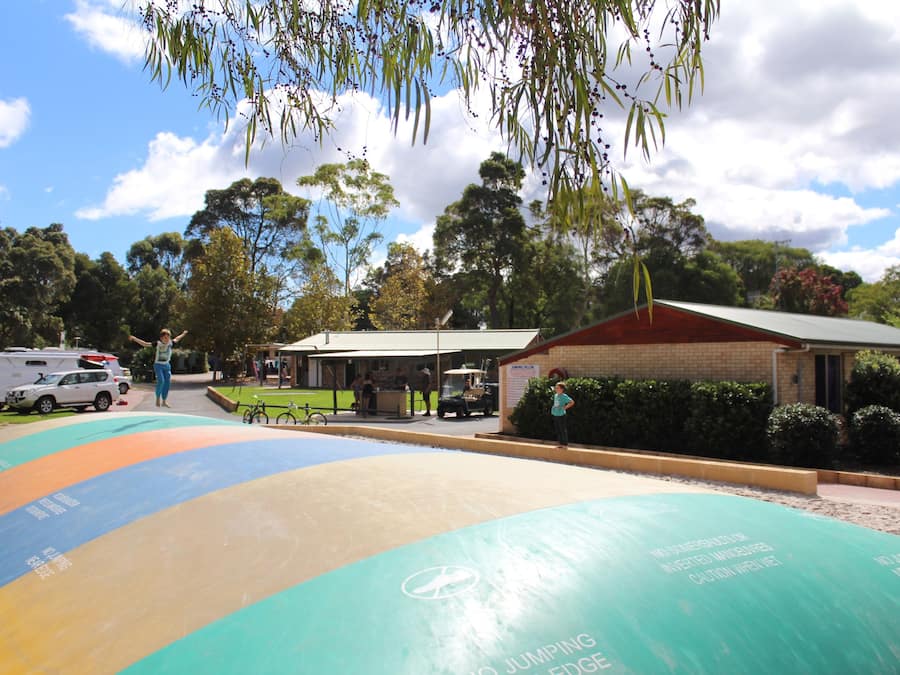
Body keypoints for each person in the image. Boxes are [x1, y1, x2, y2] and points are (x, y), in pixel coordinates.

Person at [129, 328, 188, 408]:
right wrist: (134, 338)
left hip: (167, 365)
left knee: (167, 383)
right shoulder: (158, 344)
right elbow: (145, 344)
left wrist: (184, 334)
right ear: (161, 338)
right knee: (161, 381)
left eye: (168, 337)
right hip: (158, 365)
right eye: (165, 338)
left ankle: (164, 401)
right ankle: (157, 398)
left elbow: (177, 338)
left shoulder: (171, 343)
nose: (166, 339)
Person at [550, 381, 575, 448]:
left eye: (557, 388)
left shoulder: (564, 396)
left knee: (562, 429)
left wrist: (564, 407)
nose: (556, 389)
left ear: (562, 389)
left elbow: (572, 402)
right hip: (555, 414)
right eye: (555, 388)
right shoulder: (555, 395)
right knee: (558, 430)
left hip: (561, 415)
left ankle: (565, 444)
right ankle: (560, 444)